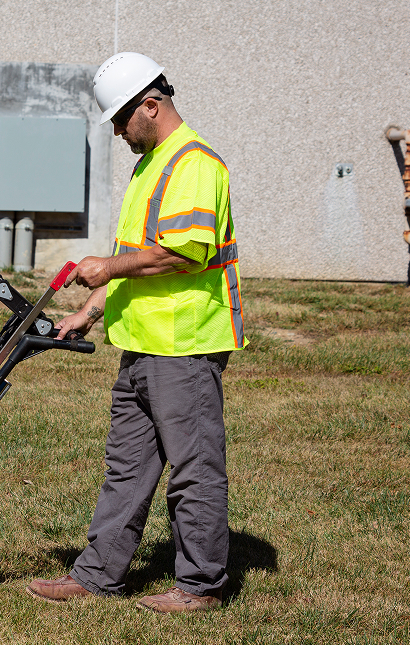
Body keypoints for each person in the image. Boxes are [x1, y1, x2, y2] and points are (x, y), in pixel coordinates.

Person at [26, 52, 246, 614]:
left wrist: (107, 267)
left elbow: (183, 253)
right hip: (141, 345)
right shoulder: (151, 165)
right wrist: (89, 312)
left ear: (151, 105)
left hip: (183, 347)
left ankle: (201, 585)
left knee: (193, 470)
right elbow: (135, 255)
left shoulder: (195, 165)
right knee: (126, 468)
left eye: (121, 120)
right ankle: (98, 574)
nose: (118, 132)